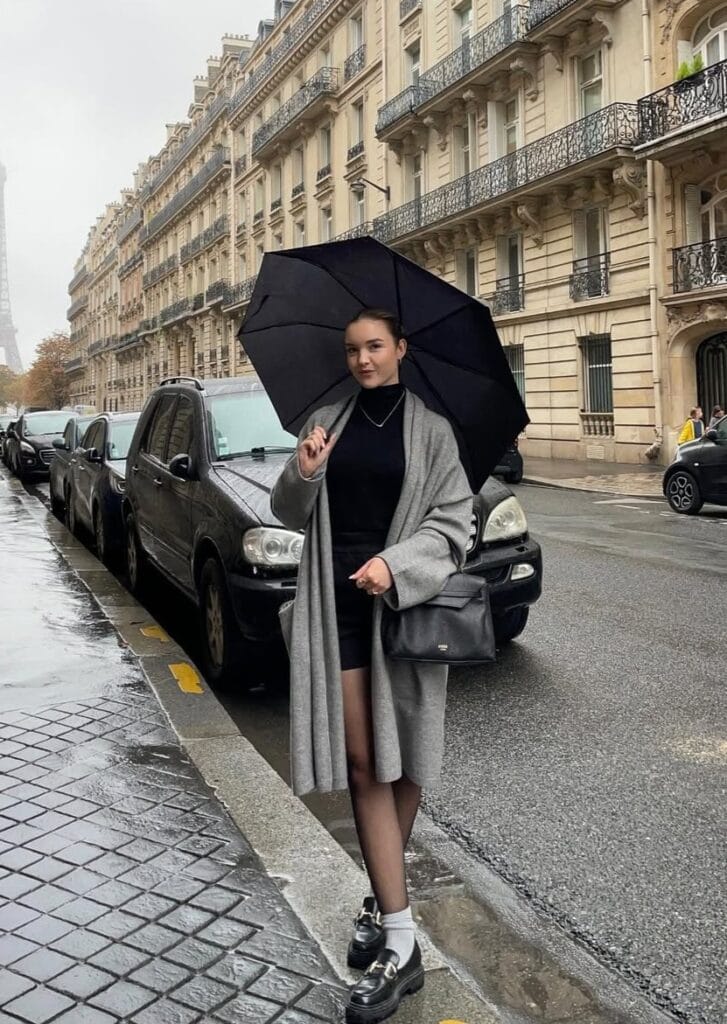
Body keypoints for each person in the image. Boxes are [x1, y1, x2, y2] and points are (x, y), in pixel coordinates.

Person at [271, 309, 473, 1023]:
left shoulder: (433, 432)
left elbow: (454, 526)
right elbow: (288, 510)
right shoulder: (328, 419)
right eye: (353, 349)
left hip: (403, 606)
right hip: (338, 608)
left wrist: (395, 563)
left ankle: (378, 897)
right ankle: (398, 937)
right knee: (366, 767)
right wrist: (302, 471)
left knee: (407, 763)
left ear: (400, 350)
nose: (361, 359)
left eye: (374, 347)